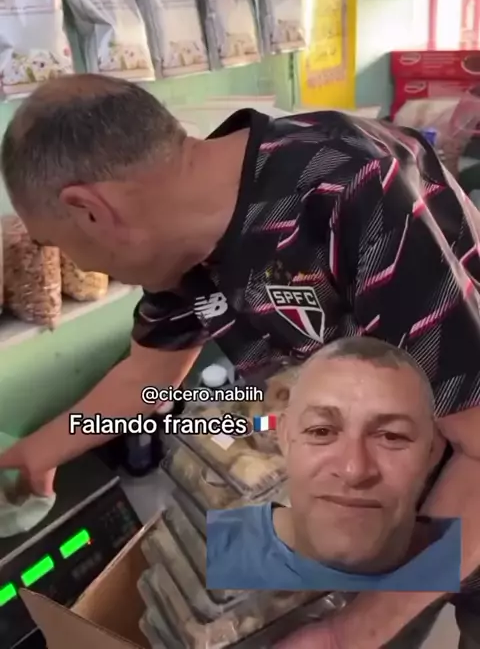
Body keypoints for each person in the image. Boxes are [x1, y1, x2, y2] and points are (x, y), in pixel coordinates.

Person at [0, 73, 480, 647]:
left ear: (90, 211)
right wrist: (36, 455)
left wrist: (353, 632)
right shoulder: (185, 241)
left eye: (57, 243)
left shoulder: (351, 192)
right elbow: (146, 379)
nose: (78, 264)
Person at [207, 338, 460, 594]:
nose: (354, 470)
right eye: (321, 431)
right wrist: (239, 446)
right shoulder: (208, 546)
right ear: (285, 437)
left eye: (391, 436)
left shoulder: (465, 559)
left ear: (432, 451)